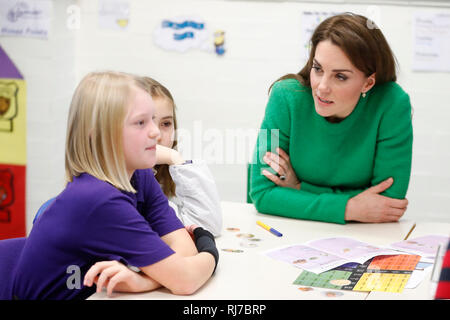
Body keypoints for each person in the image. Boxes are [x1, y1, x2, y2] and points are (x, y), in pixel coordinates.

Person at [10, 71, 218, 300]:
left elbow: (184, 252)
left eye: (154, 119)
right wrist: (209, 250)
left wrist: (142, 281)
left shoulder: (138, 172)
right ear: (99, 134)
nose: (155, 132)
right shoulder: (98, 199)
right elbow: (185, 279)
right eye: (140, 122)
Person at [249, 13, 412, 224]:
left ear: (368, 83)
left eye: (340, 76)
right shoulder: (284, 96)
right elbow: (262, 193)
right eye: (318, 69)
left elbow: (388, 203)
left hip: (361, 238)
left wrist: (299, 188)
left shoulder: (392, 103)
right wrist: (350, 208)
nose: (322, 87)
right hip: (285, 227)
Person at [142, 77, 222, 237]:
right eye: (143, 123)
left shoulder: (167, 170)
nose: (157, 134)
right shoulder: (128, 181)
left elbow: (209, 226)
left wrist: (176, 159)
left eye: (166, 124)